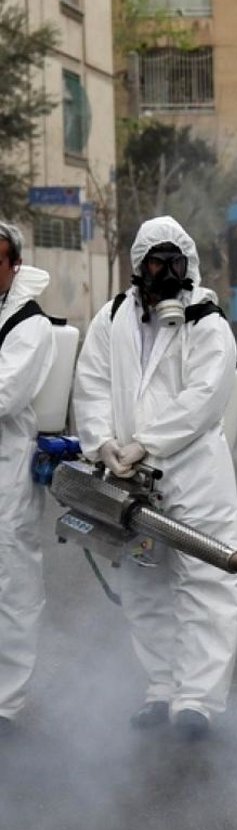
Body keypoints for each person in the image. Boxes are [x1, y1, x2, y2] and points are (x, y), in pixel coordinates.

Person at [73, 217, 237, 741]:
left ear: (188, 266)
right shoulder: (113, 317)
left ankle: (197, 701)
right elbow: (93, 383)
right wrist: (102, 442)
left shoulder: (207, 323)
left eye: (176, 263)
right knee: (144, 580)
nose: (167, 273)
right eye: (157, 263)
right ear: (139, 267)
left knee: (205, 580)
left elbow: (203, 398)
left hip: (193, 476)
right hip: (126, 473)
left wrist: (147, 443)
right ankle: (161, 689)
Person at [0, 223, 57, 738]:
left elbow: (5, 395)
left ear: (14, 264)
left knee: (11, 586)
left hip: (7, 474)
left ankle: (7, 705)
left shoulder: (28, 324)